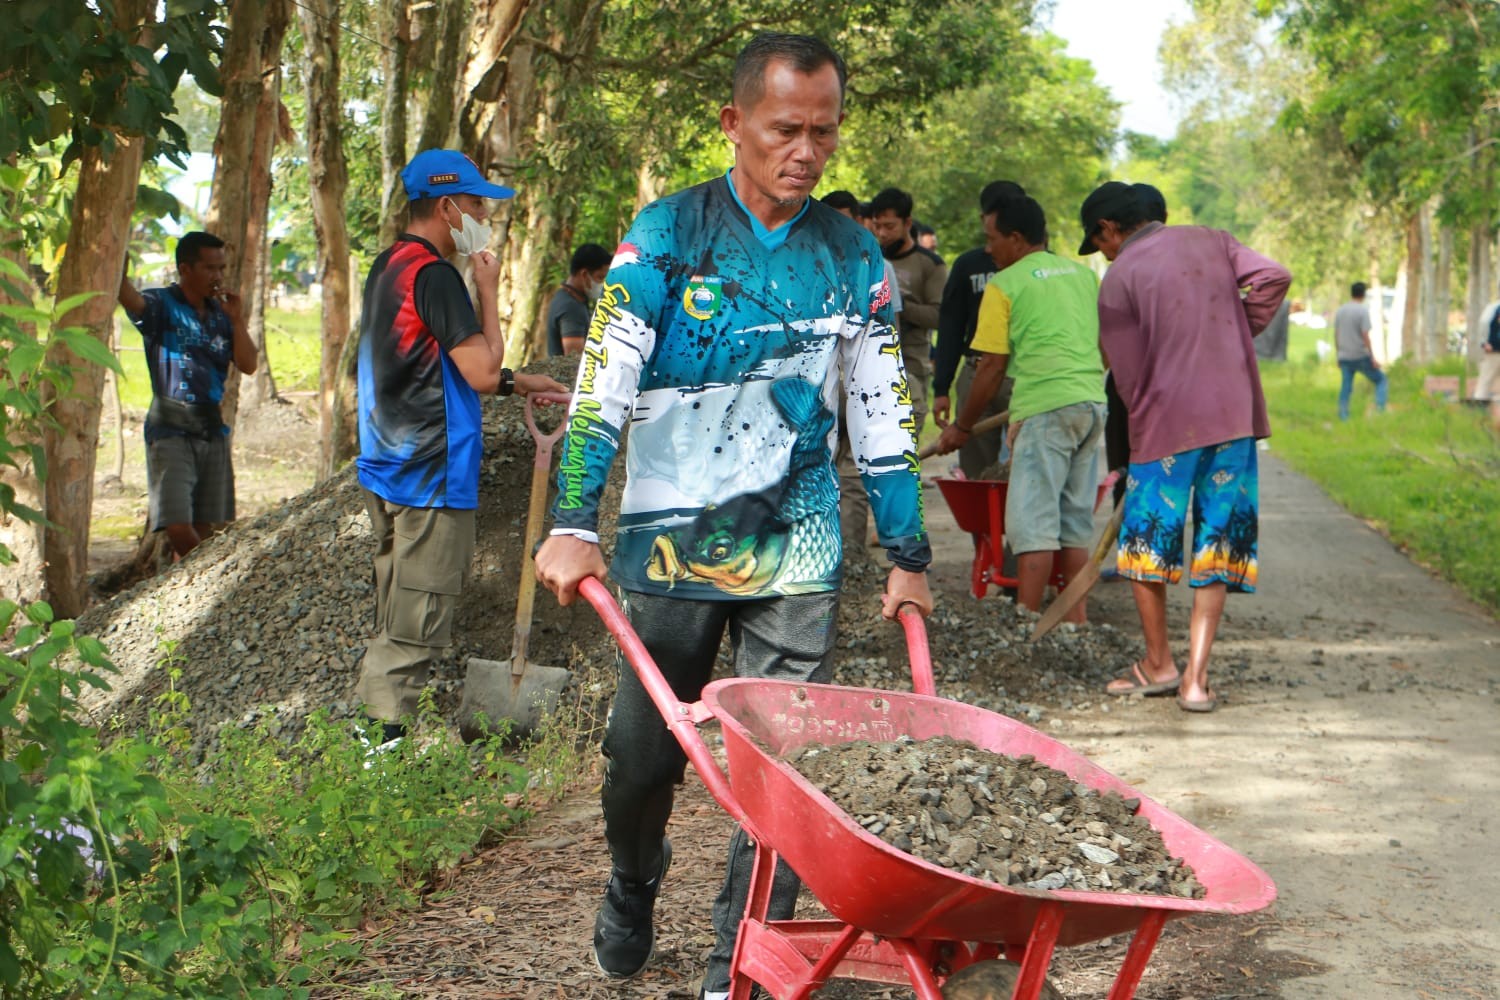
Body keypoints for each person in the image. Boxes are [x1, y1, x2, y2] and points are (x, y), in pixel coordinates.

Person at [532, 34, 933, 1000]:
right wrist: (572, 517)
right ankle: (634, 881)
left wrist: (907, 548)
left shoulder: (852, 259)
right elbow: (603, 387)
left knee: (785, 772)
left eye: (824, 133)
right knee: (639, 758)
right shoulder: (666, 236)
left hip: (798, 545)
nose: (806, 151)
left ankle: (737, 965)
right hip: (669, 546)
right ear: (735, 123)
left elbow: (882, 411)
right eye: (785, 129)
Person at [353, 148, 568, 747]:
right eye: (475, 204)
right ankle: (378, 767)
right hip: (430, 476)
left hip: (389, 466)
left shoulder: (388, 265)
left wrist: (517, 382)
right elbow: (478, 367)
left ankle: (372, 753)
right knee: (413, 629)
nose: (483, 215)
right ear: (447, 207)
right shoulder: (438, 275)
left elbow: (427, 362)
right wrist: (487, 286)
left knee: (395, 618)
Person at [1079, 181, 1290, 713]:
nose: (1102, 251)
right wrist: (1237, 333)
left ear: (1108, 229)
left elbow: (1126, 381)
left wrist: (1138, 435)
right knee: (1217, 543)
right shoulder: (1212, 240)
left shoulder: (1118, 277)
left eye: (1098, 241)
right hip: (1233, 419)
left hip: (1165, 426)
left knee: (1147, 544)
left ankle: (1158, 665)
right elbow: (1272, 276)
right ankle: (1196, 681)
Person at [933, 194, 1105, 620]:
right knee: (1074, 523)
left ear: (1015, 237)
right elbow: (1104, 348)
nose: (988, 250)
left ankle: (1025, 623)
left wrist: (962, 425)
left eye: (992, 239)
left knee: (1033, 524)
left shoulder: (1005, 284)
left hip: (1046, 410)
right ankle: (1075, 623)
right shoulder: (1083, 276)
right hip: (1090, 403)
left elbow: (991, 367)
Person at [118, 231, 257, 558]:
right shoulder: (160, 305)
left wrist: (237, 320)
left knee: (209, 525)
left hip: (211, 428)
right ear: (185, 269)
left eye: (221, 269)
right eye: (210, 269)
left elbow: (249, 364)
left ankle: (190, 593)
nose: (218, 277)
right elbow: (129, 297)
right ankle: (208, 576)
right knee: (178, 523)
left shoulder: (222, 314)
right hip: (170, 428)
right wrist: (118, 265)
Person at [822, 190, 903, 559]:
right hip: (818, 385)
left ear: (858, 221)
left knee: (855, 470)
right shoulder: (806, 263)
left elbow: (888, 330)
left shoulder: (876, 266)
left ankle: (851, 558)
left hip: (858, 382)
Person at [932, 179, 1027, 478]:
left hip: (1023, 375)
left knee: (1025, 467)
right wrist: (942, 387)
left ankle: (1019, 526)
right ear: (984, 218)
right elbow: (950, 326)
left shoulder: (1041, 269)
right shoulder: (968, 265)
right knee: (978, 472)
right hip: (978, 372)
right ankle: (984, 526)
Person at [868, 186, 948, 436]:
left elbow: (938, 316)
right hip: (873, 364)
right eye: (877, 226)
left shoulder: (929, 264)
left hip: (912, 361)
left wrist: (897, 303)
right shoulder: (868, 259)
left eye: (889, 226)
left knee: (906, 436)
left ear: (907, 223)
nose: (882, 234)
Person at [1333, 282, 1388, 420]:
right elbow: (1365, 335)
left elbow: (1337, 334)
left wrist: (1338, 355)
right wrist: (1372, 357)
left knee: (1346, 386)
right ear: (1363, 294)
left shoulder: (1341, 310)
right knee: (1381, 380)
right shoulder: (1362, 311)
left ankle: (1343, 415)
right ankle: (1380, 409)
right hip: (1360, 355)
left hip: (1344, 355)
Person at [546, 242, 612, 356]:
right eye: (600, 277)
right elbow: (574, 359)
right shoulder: (571, 307)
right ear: (584, 274)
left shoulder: (570, 299)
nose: (603, 284)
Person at [1476, 284, 1500, 430]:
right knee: (1485, 381)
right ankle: (1479, 411)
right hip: (1493, 351)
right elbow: (1483, 325)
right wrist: (1484, 343)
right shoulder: (1494, 308)